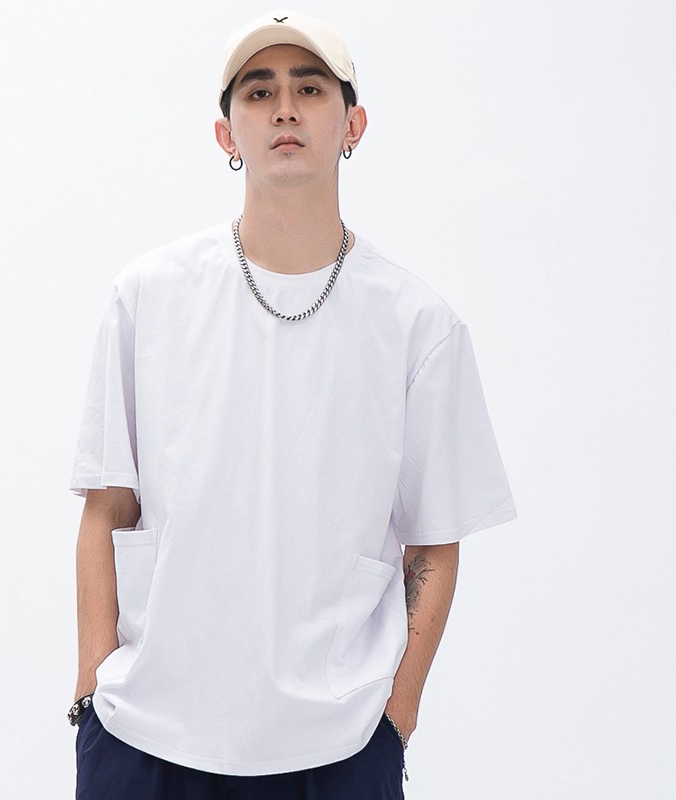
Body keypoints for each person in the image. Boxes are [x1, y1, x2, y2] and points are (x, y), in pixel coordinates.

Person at [68, 10, 516, 799]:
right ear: (226, 134)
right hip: (146, 739)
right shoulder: (148, 296)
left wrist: (396, 718)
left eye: (309, 89)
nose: (284, 109)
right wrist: (91, 692)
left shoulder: (418, 325)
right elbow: (107, 508)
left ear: (353, 125)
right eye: (258, 91)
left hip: (337, 747)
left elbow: (434, 544)